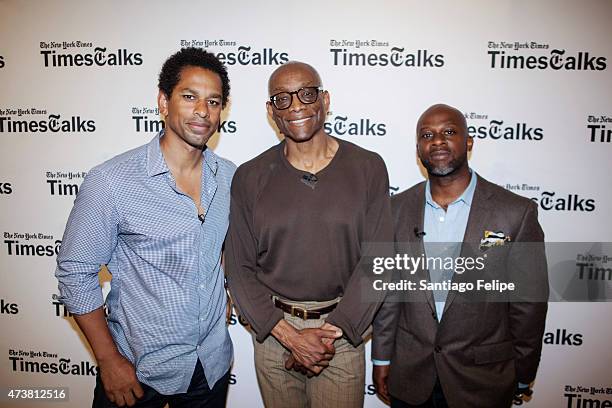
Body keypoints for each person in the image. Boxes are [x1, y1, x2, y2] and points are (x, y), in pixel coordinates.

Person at [55, 47, 235, 408]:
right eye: (190, 97)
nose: (203, 111)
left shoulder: (230, 177)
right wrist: (108, 360)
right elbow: (75, 274)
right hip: (137, 370)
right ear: (163, 102)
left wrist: (225, 290)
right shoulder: (112, 181)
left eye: (214, 101)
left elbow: (224, 246)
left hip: (210, 367)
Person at [225, 61, 393, 407]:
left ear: (325, 100)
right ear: (272, 112)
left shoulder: (368, 167)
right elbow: (239, 269)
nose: (297, 105)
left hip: (342, 330)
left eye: (306, 93)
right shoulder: (249, 177)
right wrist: (289, 336)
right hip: (274, 334)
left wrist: (331, 333)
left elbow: (379, 261)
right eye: (283, 99)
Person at [372, 104, 549, 408]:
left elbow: (528, 305)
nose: (437, 141)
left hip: (483, 380)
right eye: (427, 135)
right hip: (411, 376)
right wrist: (381, 357)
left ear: (468, 142)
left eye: (449, 132)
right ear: (418, 150)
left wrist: (522, 373)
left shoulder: (516, 213)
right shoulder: (395, 209)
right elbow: (390, 294)